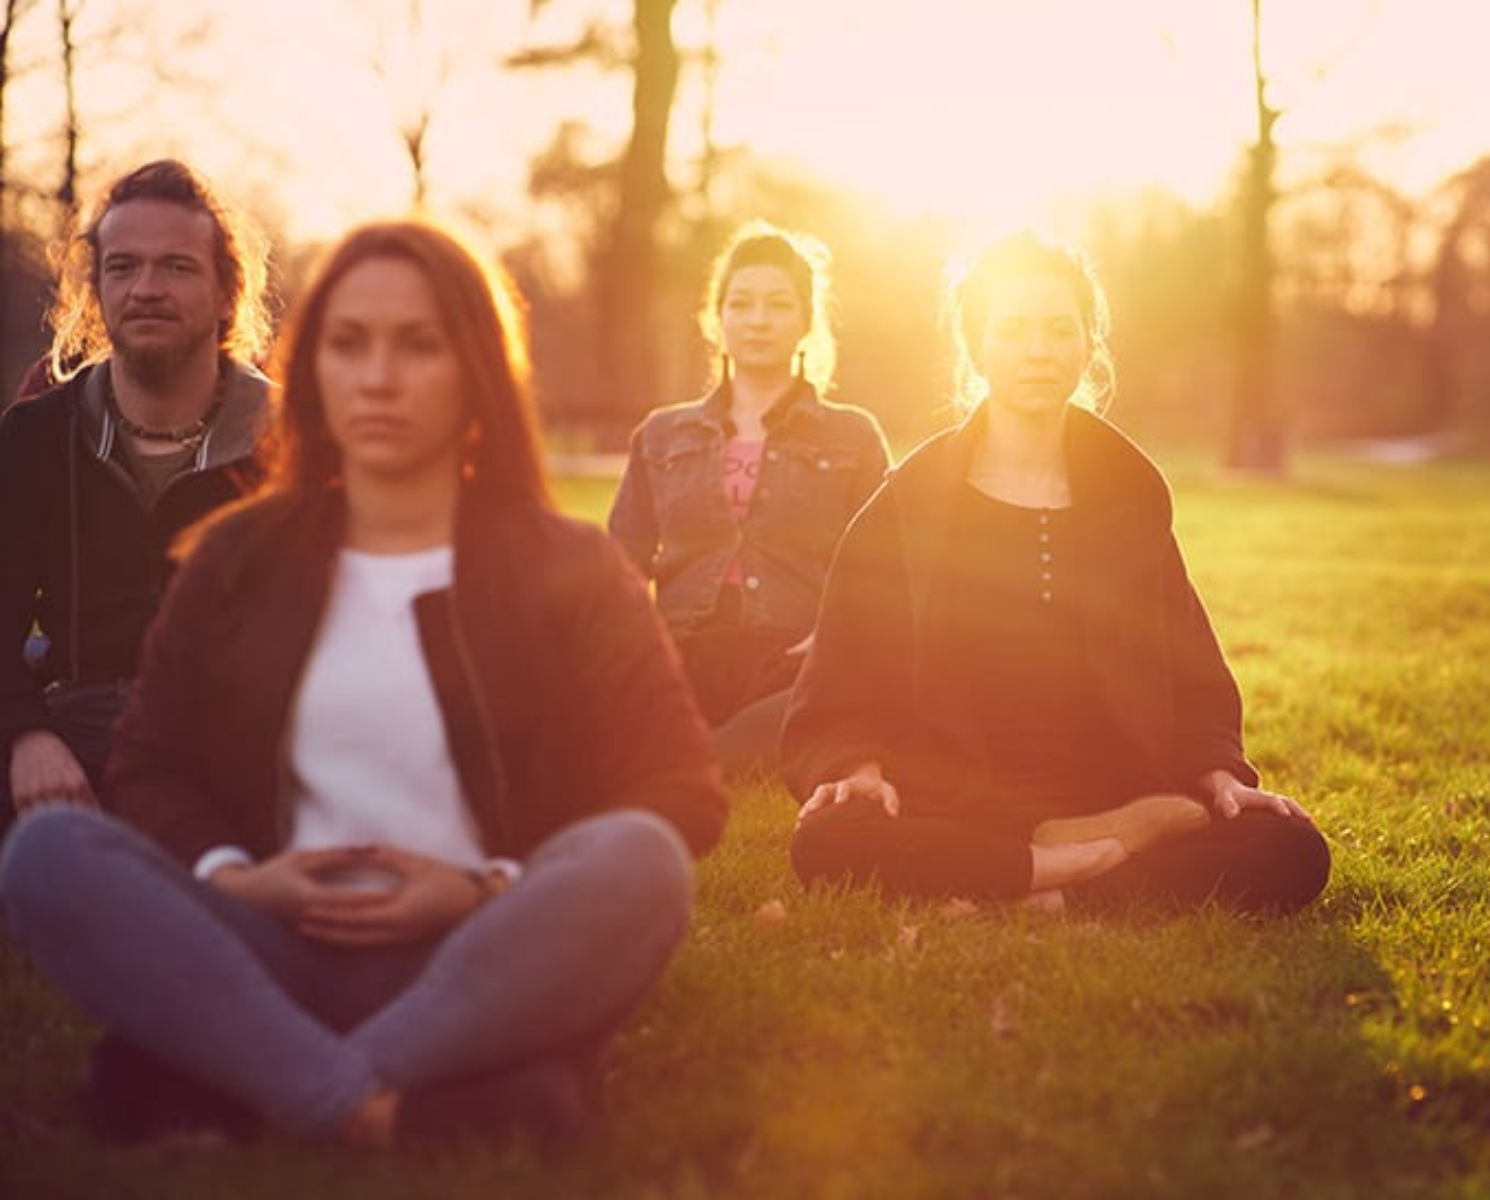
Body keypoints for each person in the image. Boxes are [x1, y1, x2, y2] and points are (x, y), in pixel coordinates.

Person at [0, 219, 728, 1148]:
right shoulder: (235, 558)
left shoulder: (570, 566)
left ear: (476, 372)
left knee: (642, 859)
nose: (378, 376)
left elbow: (680, 790)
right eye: (349, 344)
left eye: (418, 345)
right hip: (267, 944)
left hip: (478, 951)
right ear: (314, 374)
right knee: (51, 851)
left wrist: (484, 889)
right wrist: (242, 879)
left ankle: (249, 1084)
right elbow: (148, 764)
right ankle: (388, 1109)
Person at [782, 231, 1330, 911]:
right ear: (976, 347)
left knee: (1293, 849)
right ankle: (1073, 876)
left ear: (1087, 345)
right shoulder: (909, 500)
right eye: (1012, 330)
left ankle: (1022, 880)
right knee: (830, 840)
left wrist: (1220, 778)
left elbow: (1190, 668)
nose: (1037, 351)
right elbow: (844, 671)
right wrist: (857, 770)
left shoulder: (1129, 495)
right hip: (957, 795)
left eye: (1058, 330)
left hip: (1116, 787)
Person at [0, 159, 272, 824]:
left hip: (245, 739)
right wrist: (25, 737)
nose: (145, 288)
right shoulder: (38, 436)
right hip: (75, 724)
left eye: (177, 267)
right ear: (95, 290)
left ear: (227, 293)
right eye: (122, 267)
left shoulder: (289, 441)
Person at [609, 222, 890, 775]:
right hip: (684, 654)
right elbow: (619, 563)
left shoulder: (853, 436)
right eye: (740, 304)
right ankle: (700, 748)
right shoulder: (662, 435)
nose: (758, 319)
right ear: (718, 321)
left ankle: (699, 758)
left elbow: (886, 565)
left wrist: (831, 641)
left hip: (795, 662)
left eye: (778, 305)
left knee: (833, 704)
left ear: (806, 322)